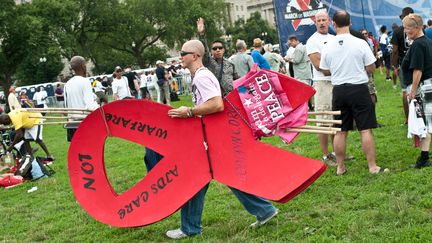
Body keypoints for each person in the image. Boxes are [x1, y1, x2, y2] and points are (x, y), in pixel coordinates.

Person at [165, 39, 278, 239]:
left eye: (183, 53)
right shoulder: (200, 75)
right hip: (211, 136)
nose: (180, 56)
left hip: (212, 137)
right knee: (217, 177)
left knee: (197, 179)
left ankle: (190, 228)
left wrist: (189, 112)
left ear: (195, 56)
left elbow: (217, 104)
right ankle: (265, 211)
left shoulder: (201, 77)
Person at [320, 10, 388, 175]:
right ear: (350, 23)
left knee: (341, 131)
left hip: (339, 90)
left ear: (333, 24)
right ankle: (372, 166)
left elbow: (324, 70)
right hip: (358, 88)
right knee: (365, 129)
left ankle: (340, 167)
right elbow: (372, 67)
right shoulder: (360, 42)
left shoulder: (328, 45)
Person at [400, 14, 432, 168]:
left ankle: (424, 158)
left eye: (408, 28)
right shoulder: (425, 41)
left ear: (418, 27)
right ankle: (424, 156)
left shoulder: (418, 44)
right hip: (428, 85)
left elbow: (417, 70)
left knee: (426, 123)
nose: (406, 31)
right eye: (405, 28)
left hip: (423, 88)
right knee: (427, 122)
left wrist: (412, 90)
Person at [305, 10, 337, 166]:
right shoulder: (312, 41)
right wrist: (340, 68)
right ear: (315, 22)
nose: (322, 23)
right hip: (322, 84)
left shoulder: (334, 38)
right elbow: (319, 66)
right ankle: (326, 155)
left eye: (324, 20)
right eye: (319, 20)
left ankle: (337, 152)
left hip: (336, 82)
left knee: (336, 120)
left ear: (329, 21)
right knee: (323, 121)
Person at [197, 17, 239, 97]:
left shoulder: (230, 64)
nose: (218, 50)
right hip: (215, 98)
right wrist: (201, 35)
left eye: (220, 48)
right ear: (211, 51)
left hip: (230, 97)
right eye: (214, 48)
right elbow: (204, 51)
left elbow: (238, 80)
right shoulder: (208, 62)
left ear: (224, 50)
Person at [64, 56, 99, 141]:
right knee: (90, 150)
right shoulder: (85, 81)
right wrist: (97, 104)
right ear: (83, 66)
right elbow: (91, 107)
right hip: (85, 122)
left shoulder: (67, 84)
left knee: (78, 152)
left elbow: (66, 108)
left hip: (72, 124)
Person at [391, 7, 415, 125]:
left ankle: (408, 119)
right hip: (418, 64)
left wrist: (394, 66)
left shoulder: (398, 31)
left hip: (404, 65)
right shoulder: (418, 29)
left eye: (402, 17)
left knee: (405, 91)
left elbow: (394, 51)